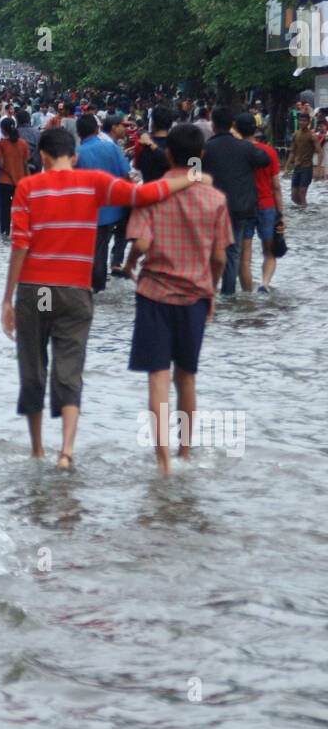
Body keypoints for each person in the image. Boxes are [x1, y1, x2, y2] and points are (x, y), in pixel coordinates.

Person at [0, 126, 207, 469]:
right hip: (75, 292)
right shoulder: (94, 181)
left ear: (43, 157)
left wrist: (8, 298)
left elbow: (20, 244)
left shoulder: (28, 187)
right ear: (75, 157)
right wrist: (194, 176)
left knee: (33, 364)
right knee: (69, 366)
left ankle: (37, 449)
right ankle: (66, 450)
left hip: (39, 293)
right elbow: (147, 194)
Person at [123, 124, 233, 474]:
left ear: (168, 154)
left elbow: (140, 243)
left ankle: (164, 461)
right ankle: (186, 453)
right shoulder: (215, 199)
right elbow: (219, 258)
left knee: (157, 378)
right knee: (187, 379)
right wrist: (211, 293)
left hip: (154, 293)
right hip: (195, 296)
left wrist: (128, 265)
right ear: (201, 157)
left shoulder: (152, 192)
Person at [202, 105, 270, 292]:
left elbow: (192, 175)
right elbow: (265, 159)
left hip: (211, 208)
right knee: (233, 253)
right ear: (232, 124)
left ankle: (208, 292)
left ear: (213, 125)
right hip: (241, 208)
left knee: (210, 250)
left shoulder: (204, 149)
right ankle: (229, 294)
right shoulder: (246, 147)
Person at [75, 113, 133, 292]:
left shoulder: (76, 155)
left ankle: (94, 286)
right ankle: (98, 284)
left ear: (79, 133)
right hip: (112, 210)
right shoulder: (112, 148)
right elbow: (126, 177)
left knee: (92, 251)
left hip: (86, 212)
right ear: (97, 129)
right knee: (101, 248)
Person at [232, 112, 283, 293]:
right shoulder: (269, 152)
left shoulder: (236, 152)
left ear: (236, 129)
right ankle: (265, 284)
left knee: (244, 258)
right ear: (256, 129)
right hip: (267, 206)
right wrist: (281, 214)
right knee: (269, 251)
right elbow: (276, 187)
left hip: (245, 207)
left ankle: (247, 295)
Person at [0, 117, 30, 238]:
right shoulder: (23, 143)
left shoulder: (0, 144)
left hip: (4, 182)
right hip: (20, 182)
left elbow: (1, 164)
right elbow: (25, 165)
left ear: (2, 130)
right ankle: (18, 235)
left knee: (4, 212)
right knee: (19, 211)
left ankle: (4, 234)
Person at [285, 113, 320, 208]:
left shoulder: (312, 136)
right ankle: (302, 213)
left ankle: (305, 215)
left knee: (302, 194)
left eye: (304, 121)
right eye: (300, 120)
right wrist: (286, 167)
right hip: (297, 167)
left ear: (308, 122)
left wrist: (317, 169)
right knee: (293, 195)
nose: (302, 122)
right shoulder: (296, 134)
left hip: (307, 168)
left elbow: (319, 152)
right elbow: (292, 152)